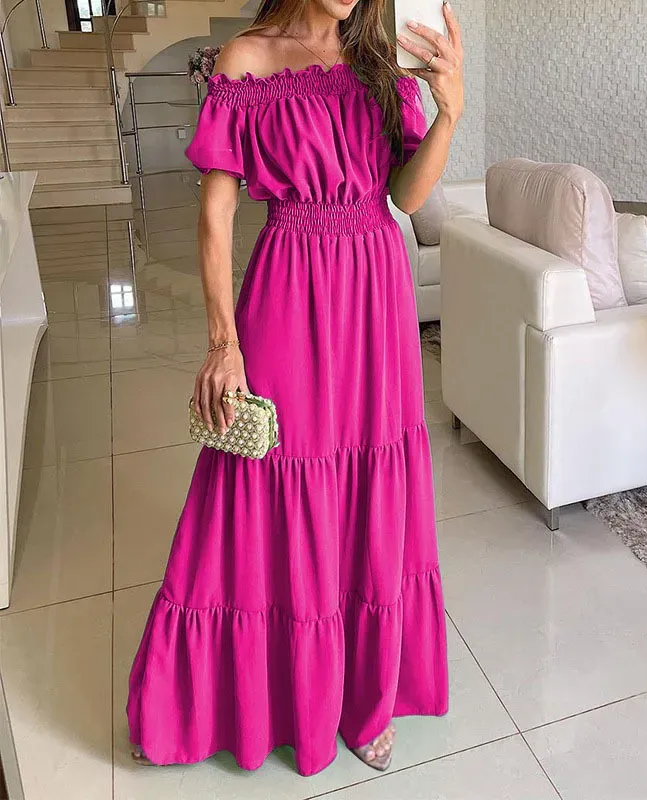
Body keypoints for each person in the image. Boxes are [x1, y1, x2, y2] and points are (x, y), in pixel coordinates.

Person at [126, 0, 463, 777]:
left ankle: (367, 693)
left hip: (376, 290)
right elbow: (215, 216)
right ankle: (250, 697)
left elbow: (407, 196)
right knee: (267, 476)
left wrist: (450, 111)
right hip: (290, 284)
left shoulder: (380, 57)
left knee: (371, 481)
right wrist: (223, 343)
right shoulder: (247, 60)